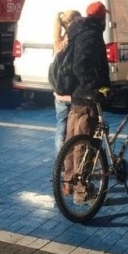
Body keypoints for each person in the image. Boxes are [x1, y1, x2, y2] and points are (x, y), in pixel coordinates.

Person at [62, 1, 111, 202]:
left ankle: (68, 184)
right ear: (101, 18)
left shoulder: (78, 31)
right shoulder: (91, 34)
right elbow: (82, 65)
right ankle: (82, 192)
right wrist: (94, 87)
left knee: (73, 140)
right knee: (85, 144)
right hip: (87, 97)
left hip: (76, 97)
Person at [52, 9, 81, 154]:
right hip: (72, 91)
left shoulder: (58, 40)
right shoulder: (73, 40)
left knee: (61, 127)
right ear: (73, 21)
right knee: (74, 129)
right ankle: (69, 159)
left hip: (59, 92)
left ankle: (59, 161)